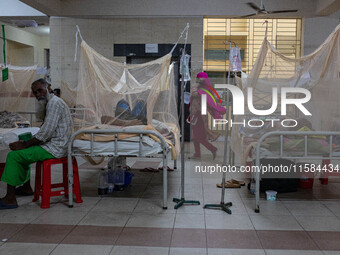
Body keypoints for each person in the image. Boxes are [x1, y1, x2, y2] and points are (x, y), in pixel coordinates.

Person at [0, 79, 73, 209]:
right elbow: (46, 131)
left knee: (14, 155)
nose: (38, 94)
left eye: (40, 90)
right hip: (56, 145)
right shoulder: (52, 103)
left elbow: (45, 133)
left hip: (55, 148)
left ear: (49, 88)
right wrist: (27, 143)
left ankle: (10, 199)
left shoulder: (54, 104)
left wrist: (24, 145)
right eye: (35, 92)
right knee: (25, 147)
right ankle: (26, 188)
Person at [188, 72, 226, 159]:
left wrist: (196, 85)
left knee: (198, 136)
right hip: (195, 115)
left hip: (199, 116)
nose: (197, 79)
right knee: (195, 135)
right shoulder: (202, 89)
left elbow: (194, 94)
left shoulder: (201, 90)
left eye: (199, 78)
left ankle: (213, 149)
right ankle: (197, 153)